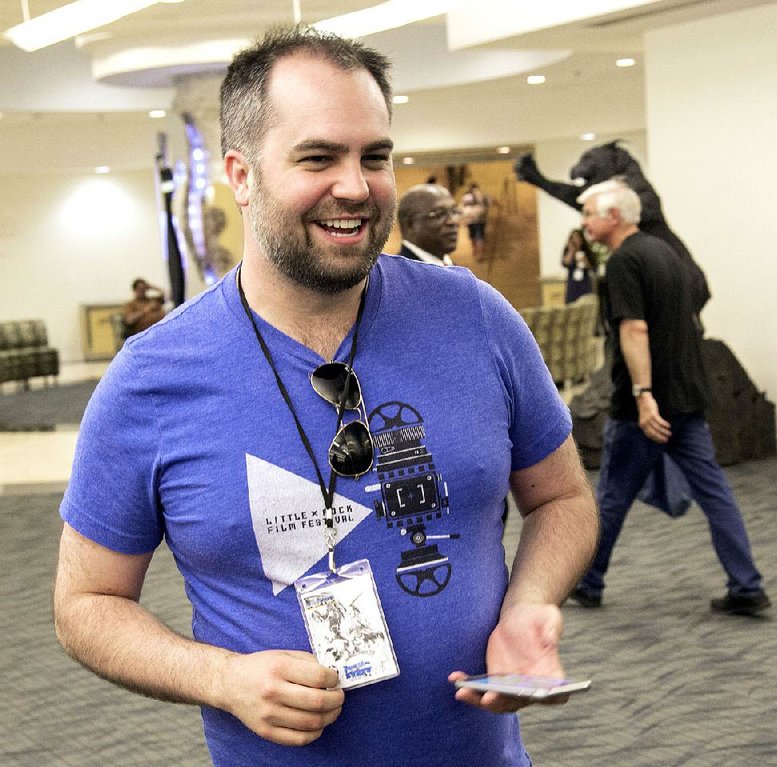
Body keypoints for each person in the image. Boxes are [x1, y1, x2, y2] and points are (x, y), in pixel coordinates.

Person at [53, 26, 598, 767]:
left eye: (375, 156)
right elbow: (85, 604)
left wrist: (531, 600)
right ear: (241, 176)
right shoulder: (152, 378)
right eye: (318, 156)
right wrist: (222, 677)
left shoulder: (473, 316)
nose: (355, 185)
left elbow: (562, 498)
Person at [569, 179, 770, 616]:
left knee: (611, 497)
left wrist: (643, 395)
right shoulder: (665, 254)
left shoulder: (624, 262)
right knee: (715, 491)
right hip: (686, 398)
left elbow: (634, 329)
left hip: (647, 405)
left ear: (614, 217)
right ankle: (747, 584)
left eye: (590, 214)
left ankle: (589, 581)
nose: (584, 222)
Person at [396, 183, 459, 266]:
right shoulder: (397, 276)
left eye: (454, 212)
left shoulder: (455, 269)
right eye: (439, 214)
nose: (452, 222)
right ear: (410, 225)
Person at [561, 228, 596, 304]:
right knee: (571, 306)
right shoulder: (568, 251)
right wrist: (571, 250)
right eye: (573, 238)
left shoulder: (587, 251)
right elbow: (565, 263)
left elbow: (593, 267)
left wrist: (585, 260)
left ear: (582, 239)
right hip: (572, 284)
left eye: (577, 238)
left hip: (584, 283)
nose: (575, 240)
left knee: (586, 304)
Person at [460, 182, 488, 261]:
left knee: (472, 236)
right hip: (480, 219)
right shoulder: (482, 195)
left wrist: (463, 219)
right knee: (480, 237)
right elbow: (489, 202)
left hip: (470, 220)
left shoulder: (465, 196)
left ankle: (474, 250)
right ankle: (480, 254)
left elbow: (461, 208)